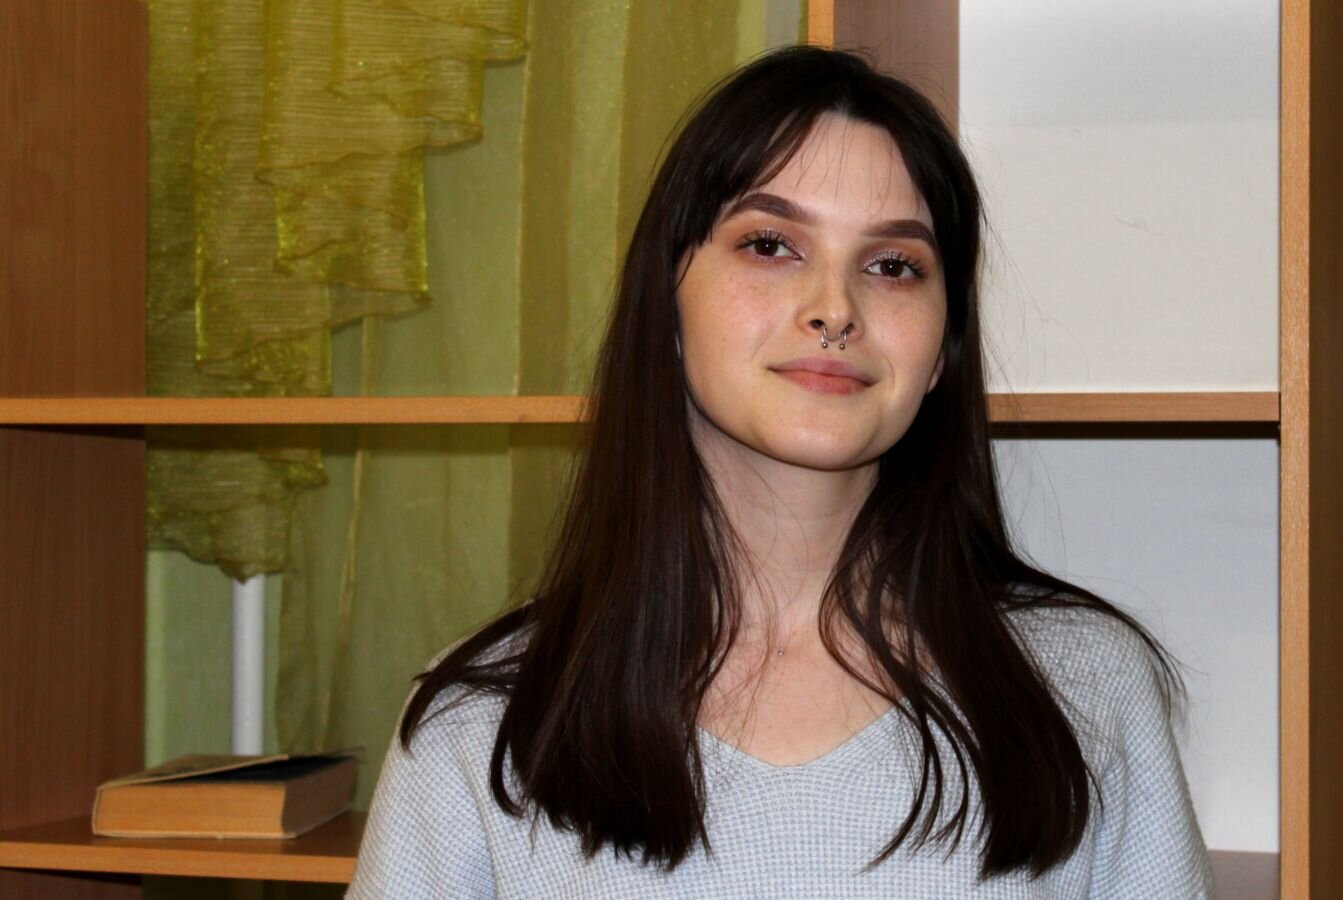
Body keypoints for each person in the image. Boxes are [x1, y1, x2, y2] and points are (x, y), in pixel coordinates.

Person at [346, 45, 1212, 898]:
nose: (835, 310)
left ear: (943, 349)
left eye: (893, 265)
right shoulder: (481, 722)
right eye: (770, 245)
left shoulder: (1088, 686)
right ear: (667, 299)